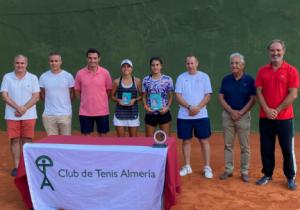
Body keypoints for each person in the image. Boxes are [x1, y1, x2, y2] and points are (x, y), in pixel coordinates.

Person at [255, 39, 299, 190]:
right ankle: (267, 174)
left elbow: (293, 94)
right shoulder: (262, 71)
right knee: (266, 148)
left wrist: (277, 110)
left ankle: (290, 177)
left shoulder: (291, 70)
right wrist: (267, 110)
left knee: (287, 149)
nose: (275, 53)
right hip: (265, 117)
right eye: (273, 50)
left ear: (283, 51)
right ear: (269, 52)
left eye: (278, 50)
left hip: (285, 118)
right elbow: (258, 92)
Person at [218, 53, 256, 182]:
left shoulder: (250, 80)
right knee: (228, 145)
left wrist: (240, 113)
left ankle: (244, 171)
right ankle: (228, 170)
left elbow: (253, 99)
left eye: (237, 63)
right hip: (227, 116)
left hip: (243, 116)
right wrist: (231, 111)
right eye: (232, 63)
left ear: (243, 65)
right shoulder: (226, 79)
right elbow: (221, 97)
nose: (234, 65)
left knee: (245, 146)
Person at [0, 55, 39, 177]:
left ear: (26, 64)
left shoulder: (33, 78)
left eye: (22, 63)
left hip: (29, 115)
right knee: (15, 140)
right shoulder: (7, 77)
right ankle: (17, 166)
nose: (20, 65)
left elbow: (36, 96)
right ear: (14, 64)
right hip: (12, 115)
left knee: (27, 140)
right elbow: (4, 96)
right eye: (17, 63)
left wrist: (24, 108)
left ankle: (26, 165)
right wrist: (18, 108)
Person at [175, 56, 213, 178]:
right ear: (186, 65)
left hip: (201, 115)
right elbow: (178, 96)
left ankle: (207, 167)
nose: (190, 65)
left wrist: (198, 108)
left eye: (192, 63)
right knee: (186, 141)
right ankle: (187, 166)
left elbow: (208, 95)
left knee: (204, 141)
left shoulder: (204, 76)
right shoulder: (181, 77)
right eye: (188, 63)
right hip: (184, 116)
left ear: (197, 63)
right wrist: (189, 107)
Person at [74, 48, 112, 136]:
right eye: (90, 58)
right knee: (87, 138)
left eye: (95, 58)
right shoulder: (80, 73)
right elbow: (77, 91)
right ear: (87, 59)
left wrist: (102, 101)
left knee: (103, 136)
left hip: (102, 111)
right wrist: (85, 101)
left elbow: (109, 90)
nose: (92, 60)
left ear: (99, 59)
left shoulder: (105, 73)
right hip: (85, 112)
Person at [39, 52, 75, 136]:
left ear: (60, 62)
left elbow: (72, 93)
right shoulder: (43, 77)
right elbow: (42, 94)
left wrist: (65, 103)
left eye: (56, 61)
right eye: (52, 61)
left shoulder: (68, 76)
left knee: (66, 142)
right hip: (49, 115)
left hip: (65, 114)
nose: (54, 63)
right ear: (49, 62)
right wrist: (50, 103)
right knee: (52, 143)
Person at [142, 57, 174, 137]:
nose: (155, 67)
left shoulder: (168, 79)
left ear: (161, 66)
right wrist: (146, 107)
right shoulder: (146, 80)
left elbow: (171, 96)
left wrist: (167, 107)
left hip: (164, 112)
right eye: (153, 65)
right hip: (150, 113)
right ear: (150, 66)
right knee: (149, 140)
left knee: (165, 139)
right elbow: (144, 96)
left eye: (157, 65)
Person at [111, 59, 142, 137]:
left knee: (133, 141)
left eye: (128, 66)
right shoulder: (116, 81)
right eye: (124, 67)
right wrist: (118, 100)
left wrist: (134, 100)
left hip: (133, 112)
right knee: (121, 141)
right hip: (120, 113)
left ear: (132, 68)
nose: (126, 68)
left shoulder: (137, 81)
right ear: (121, 68)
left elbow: (142, 96)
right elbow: (111, 96)